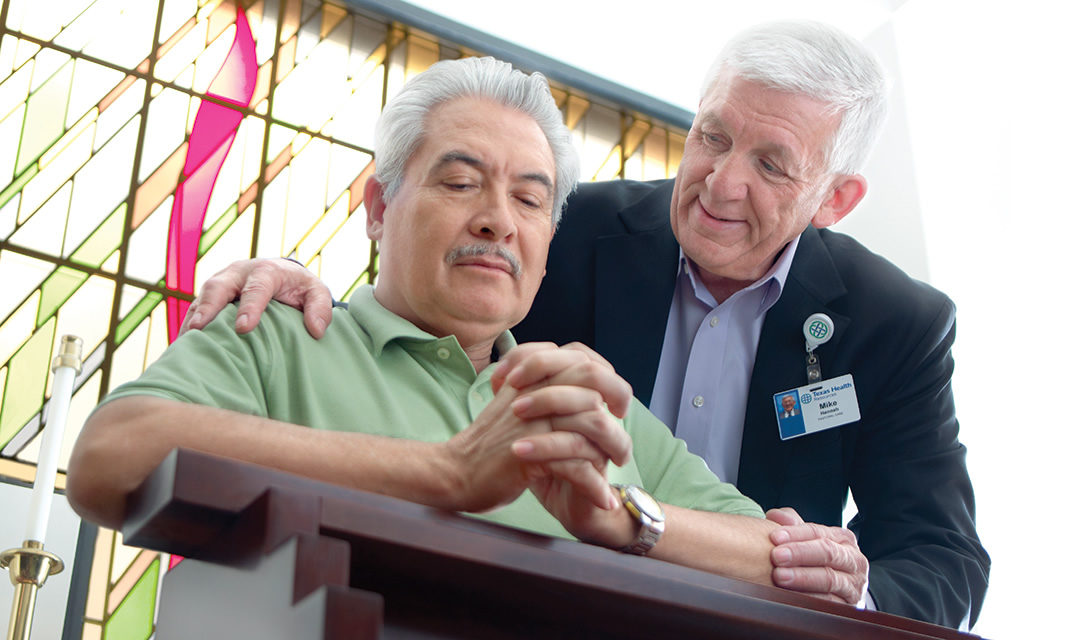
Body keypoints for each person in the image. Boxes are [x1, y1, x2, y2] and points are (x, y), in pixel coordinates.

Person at [183, 21, 987, 628]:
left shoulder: (895, 324)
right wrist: (296, 276)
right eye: (712, 136)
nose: (721, 183)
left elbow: (941, 553)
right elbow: (428, 289)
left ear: (834, 200)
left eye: (772, 165)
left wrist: (841, 589)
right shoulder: (568, 231)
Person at [67, 57, 783, 586]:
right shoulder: (279, 333)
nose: (498, 220)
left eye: (529, 201)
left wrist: (621, 517)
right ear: (380, 209)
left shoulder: (583, 407)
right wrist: (447, 473)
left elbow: (773, 556)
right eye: (461, 182)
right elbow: (110, 457)